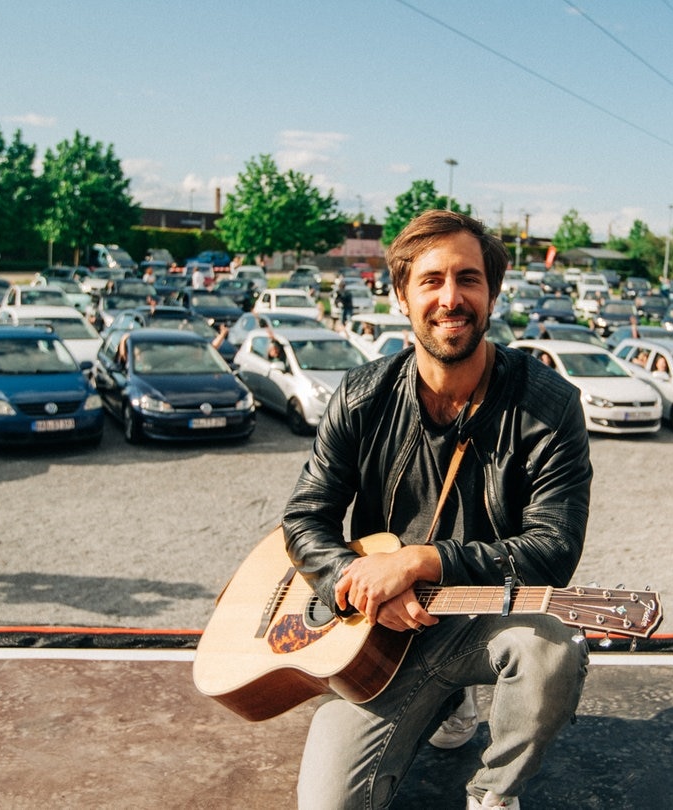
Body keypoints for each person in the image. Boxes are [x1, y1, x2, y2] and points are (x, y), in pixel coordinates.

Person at [283, 209, 592, 810]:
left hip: (488, 619)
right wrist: (357, 580)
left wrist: (423, 561)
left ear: (492, 291)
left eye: (468, 279)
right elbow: (304, 519)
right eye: (431, 280)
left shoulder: (550, 407)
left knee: (552, 650)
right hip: (381, 635)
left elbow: (553, 549)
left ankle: (493, 793)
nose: (451, 298)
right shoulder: (362, 395)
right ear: (401, 295)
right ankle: (449, 700)